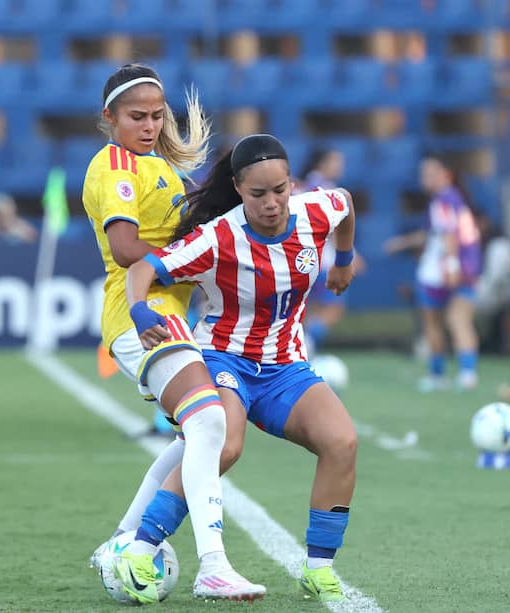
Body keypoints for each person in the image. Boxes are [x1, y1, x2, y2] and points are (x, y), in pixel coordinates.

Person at [122, 134, 359, 603]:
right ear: (237, 189)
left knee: (342, 442)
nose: (271, 203)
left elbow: (346, 204)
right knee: (223, 446)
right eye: (258, 194)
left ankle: (319, 568)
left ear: (291, 183)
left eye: (280, 190)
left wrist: (344, 261)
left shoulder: (317, 211)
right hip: (223, 358)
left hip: (286, 365)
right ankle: (139, 548)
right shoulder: (218, 237)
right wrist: (139, 310)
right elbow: (141, 269)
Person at [82, 63, 264, 602]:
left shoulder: (160, 167)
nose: (149, 126)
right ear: (109, 117)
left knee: (197, 434)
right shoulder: (114, 165)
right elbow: (125, 248)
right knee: (209, 421)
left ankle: (122, 541)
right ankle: (213, 565)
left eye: (157, 116)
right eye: (136, 116)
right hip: (138, 314)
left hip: (170, 314)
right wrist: (195, 262)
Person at [385, 155, 482, 391]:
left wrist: (452, 266)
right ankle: (466, 373)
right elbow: (433, 234)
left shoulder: (444, 200)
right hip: (466, 267)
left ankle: (443, 375)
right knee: (455, 320)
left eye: (430, 173)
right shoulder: (453, 199)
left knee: (444, 321)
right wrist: (403, 242)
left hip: (443, 271)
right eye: (423, 173)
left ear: (446, 175)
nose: (425, 178)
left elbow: (448, 235)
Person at [297, 148, 362, 354]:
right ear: (322, 163)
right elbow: (333, 225)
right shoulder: (324, 188)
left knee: (311, 310)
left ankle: (304, 349)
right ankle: (308, 344)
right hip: (325, 260)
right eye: (335, 161)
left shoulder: (303, 186)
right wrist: (351, 255)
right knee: (335, 309)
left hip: (304, 259)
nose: (340, 166)